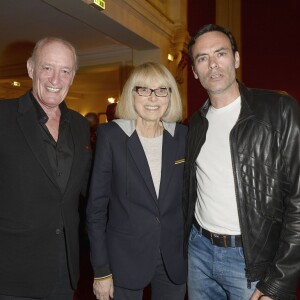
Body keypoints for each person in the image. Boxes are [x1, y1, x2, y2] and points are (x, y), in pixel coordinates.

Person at [183, 24, 300, 300]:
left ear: (236, 59)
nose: (212, 64)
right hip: (199, 251)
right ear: (195, 72)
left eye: (220, 53)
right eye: (202, 58)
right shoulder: (195, 124)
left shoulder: (279, 110)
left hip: (252, 262)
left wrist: (279, 280)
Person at [0, 37, 92, 299]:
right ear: (31, 68)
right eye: (47, 68)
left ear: (73, 76)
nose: (55, 79)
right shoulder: (3, 116)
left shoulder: (80, 126)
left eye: (65, 71)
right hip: (11, 276)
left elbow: (90, 188)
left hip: (64, 272)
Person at [87, 62, 187, 300]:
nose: (153, 98)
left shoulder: (182, 136)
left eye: (162, 89)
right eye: (143, 89)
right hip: (124, 259)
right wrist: (101, 271)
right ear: (131, 95)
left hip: (172, 259)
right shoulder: (111, 136)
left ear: (170, 96)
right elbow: (96, 210)